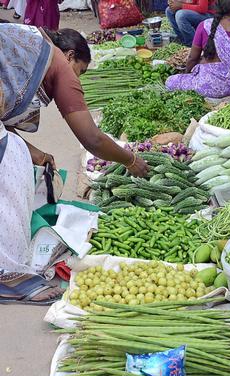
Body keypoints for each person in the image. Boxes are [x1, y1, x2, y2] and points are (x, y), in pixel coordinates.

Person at [0, 24, 149, 304]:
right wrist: (130, 160)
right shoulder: (57, 64)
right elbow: (91, 138)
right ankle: (8, 274)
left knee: (15, 152)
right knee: (10, 165)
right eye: (80, 71)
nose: (77, 80)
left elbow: (5, 127)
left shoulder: (32, 46)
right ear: (69, 56)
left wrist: (35, 152)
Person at [166, 0, 230, 99]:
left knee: (170, 81)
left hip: (205, 86)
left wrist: (187, 75)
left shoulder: (204, 26)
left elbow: (192, 58)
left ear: (216, 8)